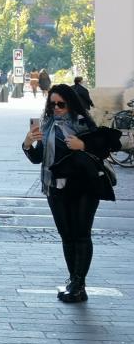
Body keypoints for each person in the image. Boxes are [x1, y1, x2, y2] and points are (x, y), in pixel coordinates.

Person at [22, 84, 116, 302]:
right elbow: (37, 159)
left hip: (84, 187)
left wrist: (82, 144)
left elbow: (103, 148)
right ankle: (74, 281)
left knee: (81, 234)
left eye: (61, 104)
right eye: (52, 104)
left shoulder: (83, 123)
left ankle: (78, 284)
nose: (56, 108)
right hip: (55, 188)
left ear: (70, 104)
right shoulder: (47, 126)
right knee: (67, 235)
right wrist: (28, 144)